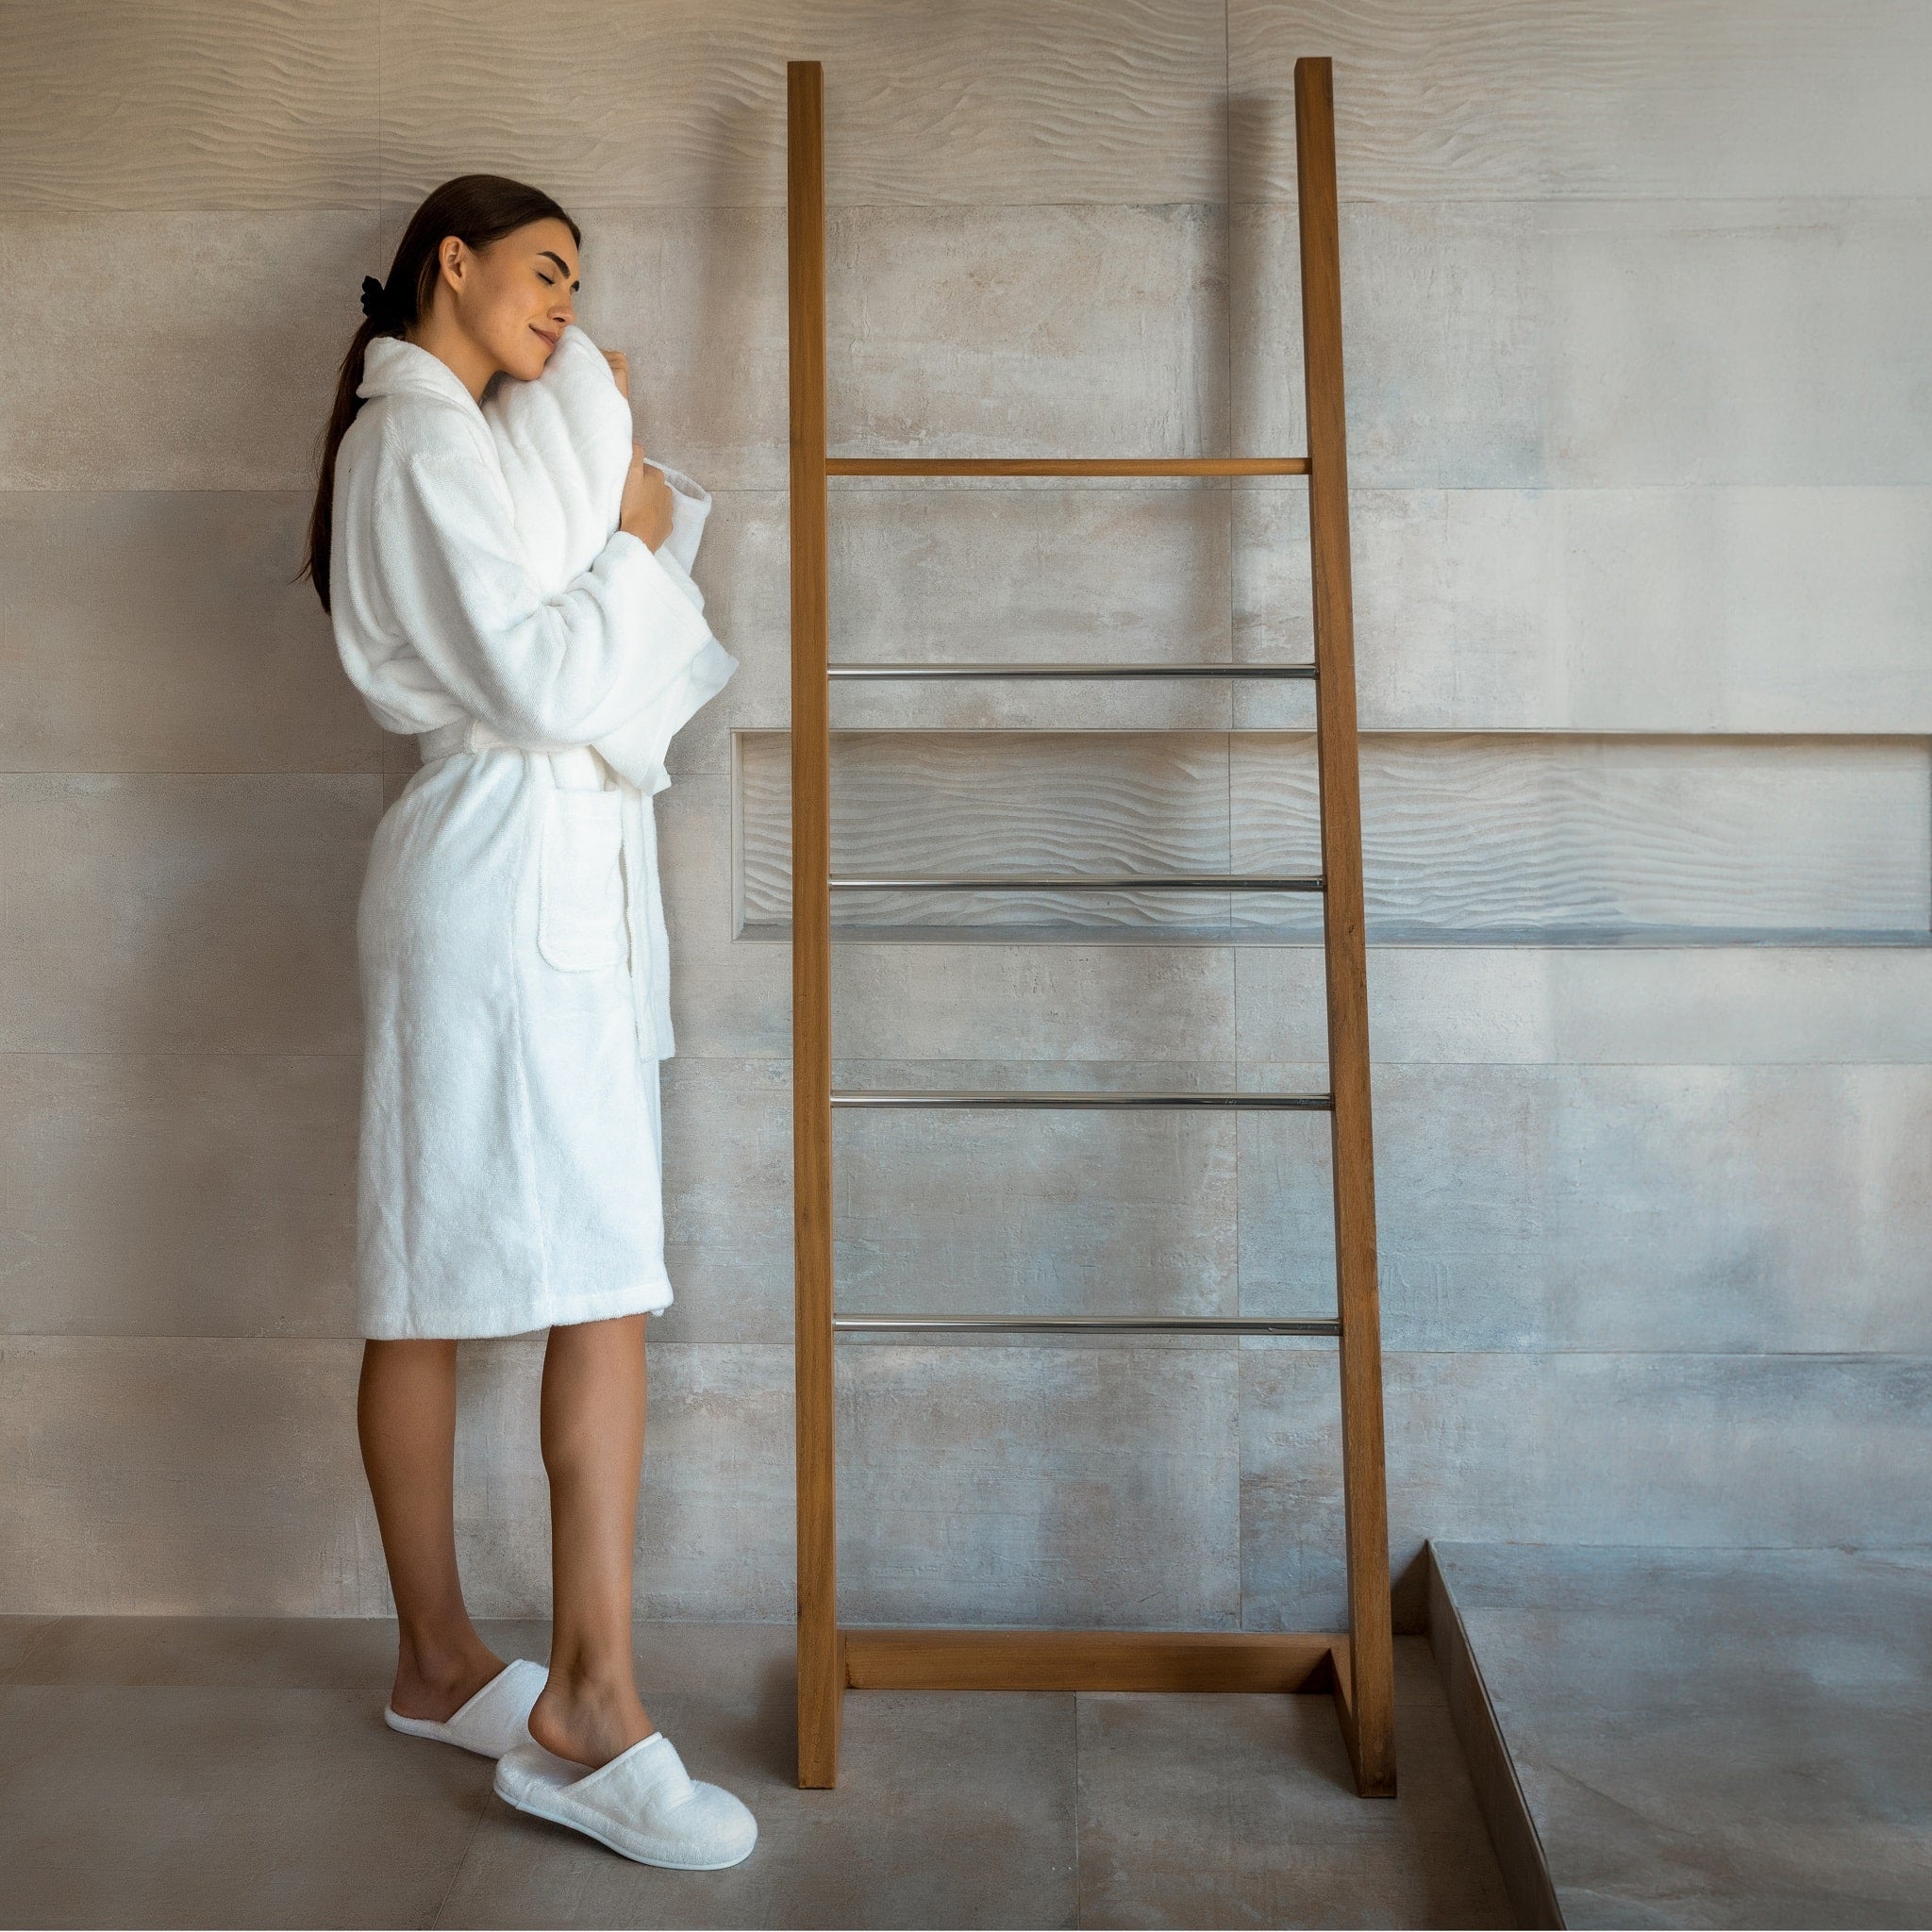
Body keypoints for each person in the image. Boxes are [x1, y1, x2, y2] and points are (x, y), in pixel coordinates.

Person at [301, 173, 755, 1870]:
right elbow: (553, 680)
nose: (568, 303)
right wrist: (633, 539)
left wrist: (612, 520)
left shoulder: (457, 447)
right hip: (495, 886)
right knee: (564, 1281)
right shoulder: (412, 447)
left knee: (458, 1278)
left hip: (516, 879)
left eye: (578, 279)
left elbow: (554, 664)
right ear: (454, 261)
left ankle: (441, 1668)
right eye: (545, 269)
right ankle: (590, 1704)